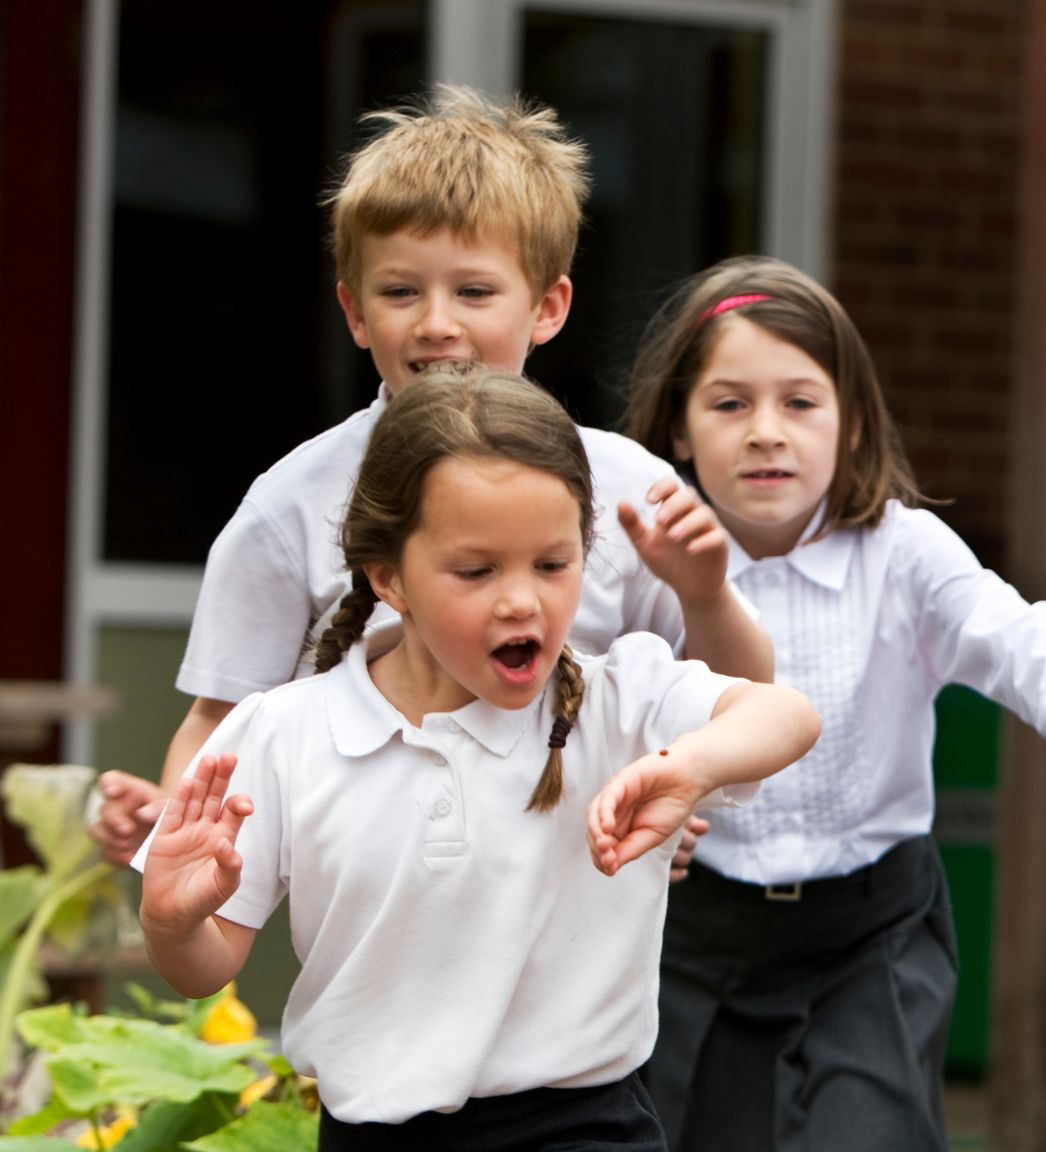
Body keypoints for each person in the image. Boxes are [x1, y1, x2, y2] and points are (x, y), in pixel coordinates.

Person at [137, 369, 820, 1150]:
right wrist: (172, 920)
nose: (522, 601)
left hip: (583, 1125)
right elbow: (203, 966)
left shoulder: (617, 699)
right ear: (389, 576)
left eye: (553, 565)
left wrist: (693, 763)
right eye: (477, 570)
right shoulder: (287, 731)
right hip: (369, 1130)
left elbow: (786, 715)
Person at [90, 84, 770, 866]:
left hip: (581, 907)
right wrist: (179, 841)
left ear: (547, 307)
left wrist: (703, 595)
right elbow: (222, 721)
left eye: (474, 291)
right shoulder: (291, 504)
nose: (436, 322)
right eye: (401, 291)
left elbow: (744, 709)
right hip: (377, 913)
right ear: (354, 312)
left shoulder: (629, 490)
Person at [618, 255, 1046, 1152]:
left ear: (852, 425)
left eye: (801, 403)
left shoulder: (902, 551)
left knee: (872, 1130)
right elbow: (590, 702)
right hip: (695, 935)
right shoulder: (648, 560)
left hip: (870, 928)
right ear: (680, 430)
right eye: (730, 404)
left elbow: (1013, 635)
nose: (766, 432)